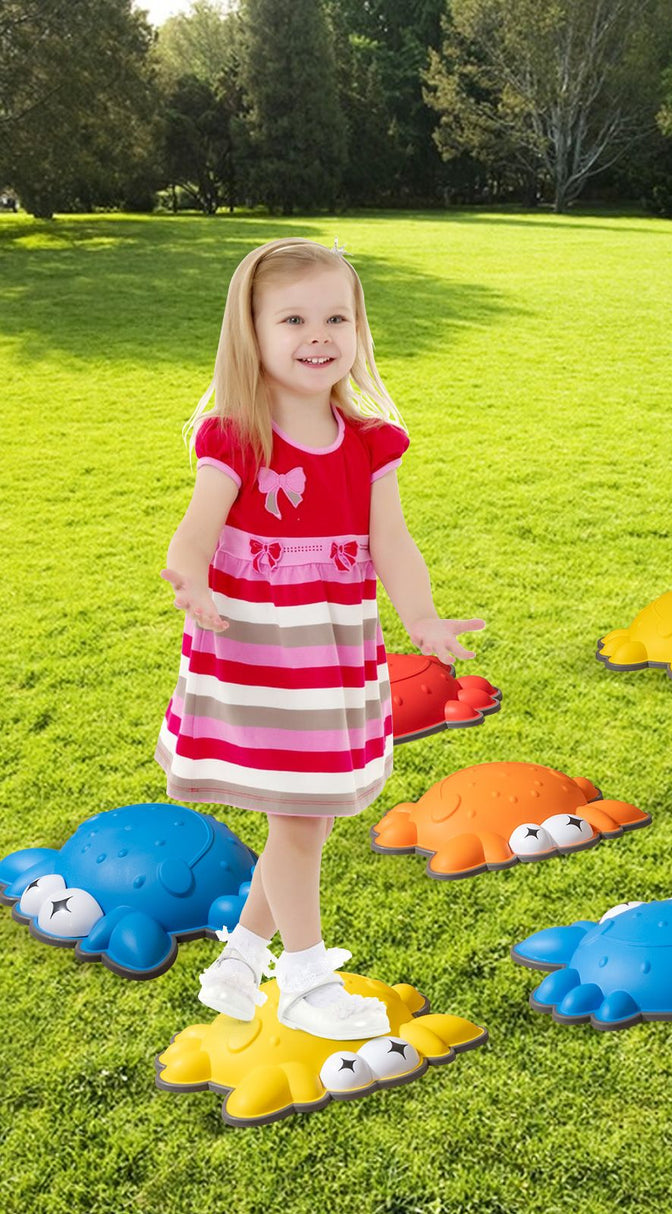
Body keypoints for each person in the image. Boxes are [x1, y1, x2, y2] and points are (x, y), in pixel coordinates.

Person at [157, 238, 484, 1038]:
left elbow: (392, 545)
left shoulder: (370, 442)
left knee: (308, 814)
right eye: (294, 319)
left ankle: (241, 960)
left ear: (358, 328)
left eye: (336, 318)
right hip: (259, 652)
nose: (318, 336)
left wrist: (423, 619)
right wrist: (192, 582)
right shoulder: (235, 436)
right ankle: (304, 979)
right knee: (301, 818)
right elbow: (194, 533)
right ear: (252, 332)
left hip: (333, 649)